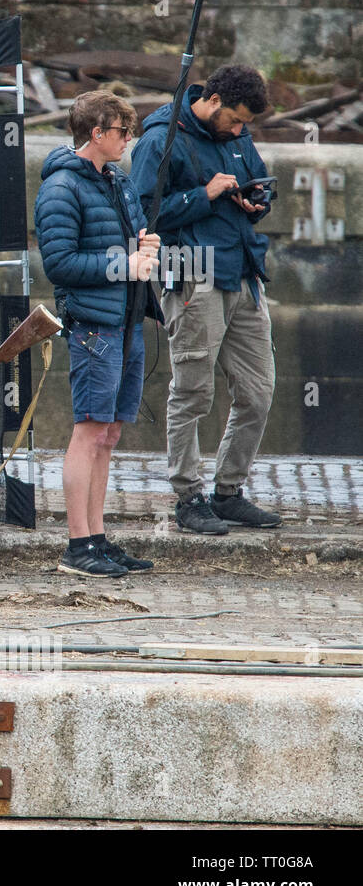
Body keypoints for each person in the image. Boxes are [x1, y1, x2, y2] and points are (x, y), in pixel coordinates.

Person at [129, 65, 281, 534]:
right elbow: (140, 216)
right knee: (193, 391)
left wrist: (258, 200)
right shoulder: (161, 139)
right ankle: (188, 496)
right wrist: (205, 193)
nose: (240, 130)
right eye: (235, 120)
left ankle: (229, 492)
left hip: (243, 274)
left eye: (245, 125)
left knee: (257, 392)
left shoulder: (238, 136)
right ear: (212, 100)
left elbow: (256, 181)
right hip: (193, 276)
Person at [35, 91, 162, 577]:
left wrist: (143, 243)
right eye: (122, 132)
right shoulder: (62, 188)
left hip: (127, 320)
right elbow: (59, 263)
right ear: (96, 134)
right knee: (89, 431)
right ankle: (77, 545)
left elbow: (123, 241)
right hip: (94, 325)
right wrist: (124, 262)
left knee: (108, 433)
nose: (129, 140)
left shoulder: (119, 181)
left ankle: (97, 537)